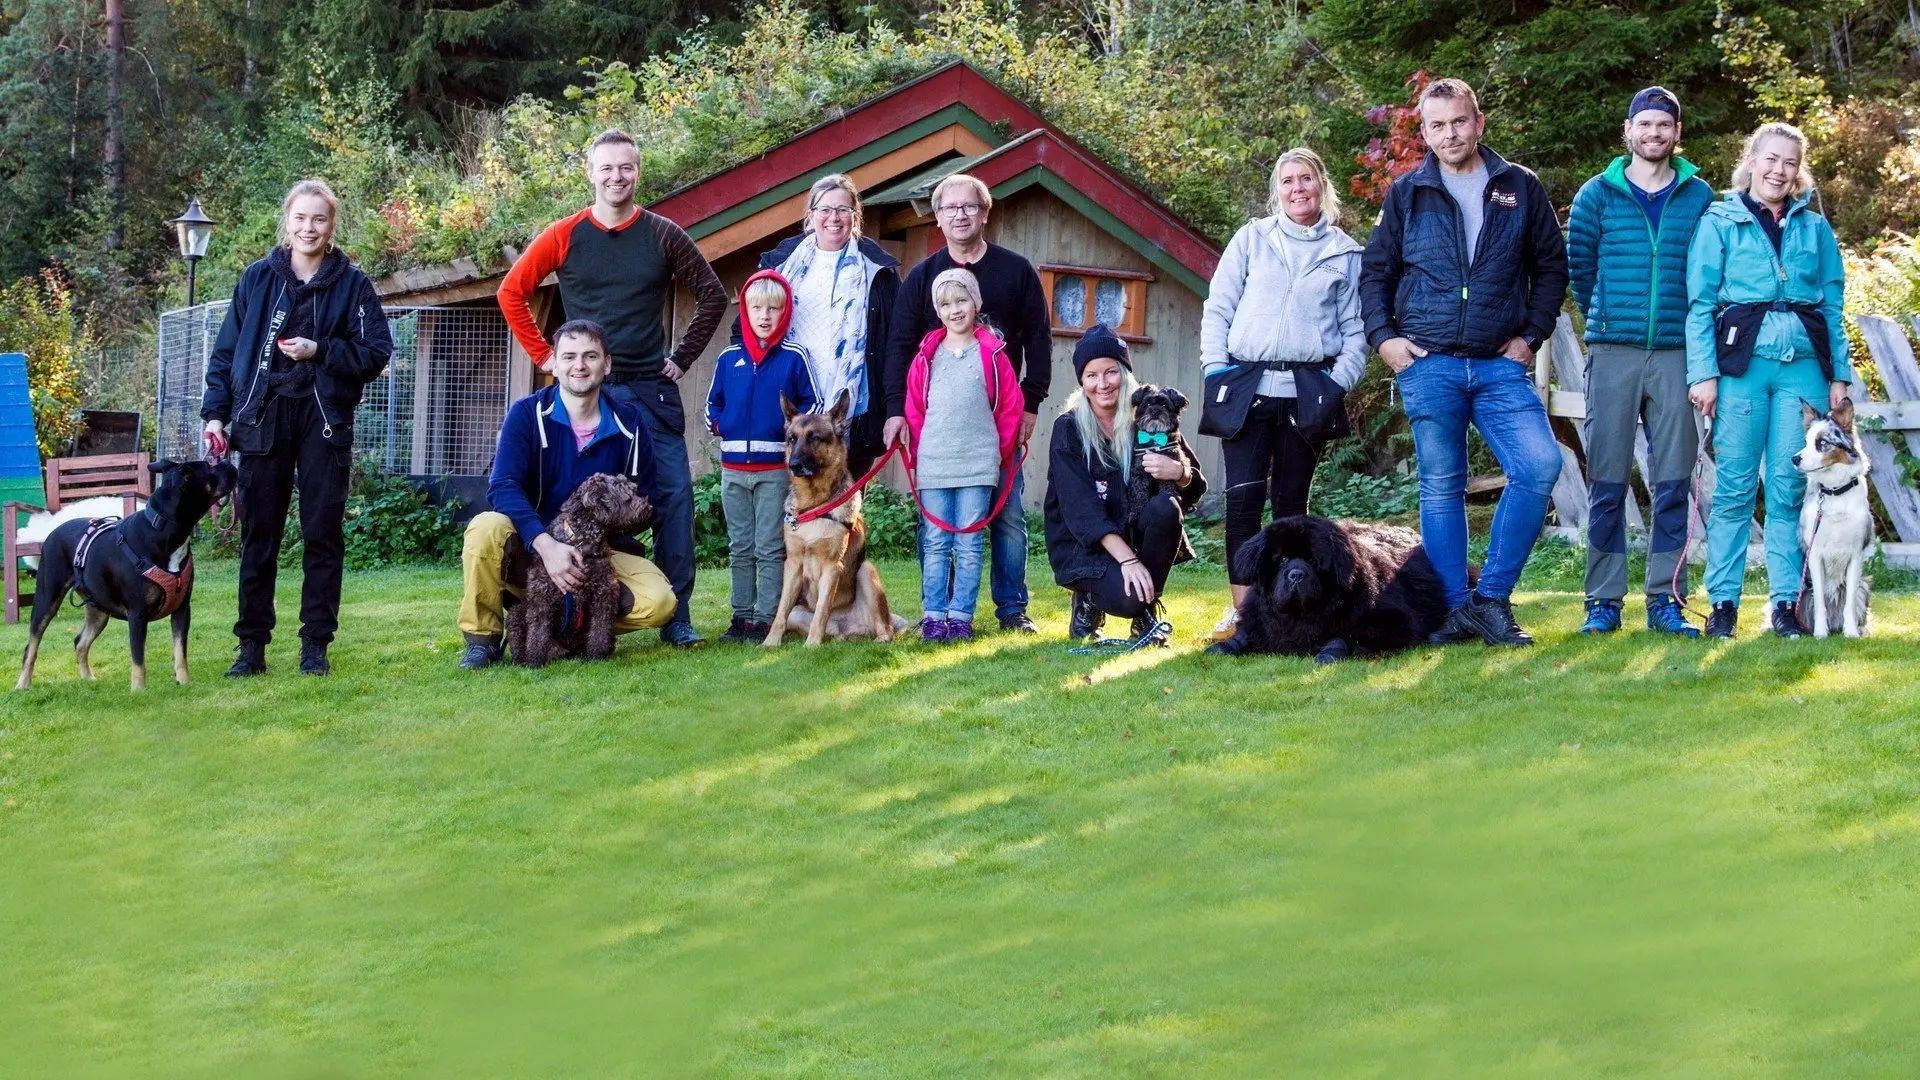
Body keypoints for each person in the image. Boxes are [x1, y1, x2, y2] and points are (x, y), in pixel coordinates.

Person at [1359, 77, 1569, 648]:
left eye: (1458, 122)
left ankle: (1491, 599)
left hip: (1500, 364)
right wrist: (1385, 340)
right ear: (1424, 132)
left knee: (1539, 467)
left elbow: (1551, 267)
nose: (1449, 134)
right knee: (1442, 487)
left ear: (1478, 123)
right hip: (1428, 364)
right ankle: (1454, 610)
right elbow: (1376, 274)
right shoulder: (1407, 193)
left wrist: (1531, 335)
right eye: (1437, 125)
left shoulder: (1519, 187)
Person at [497, 128, 727, 648]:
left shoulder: (664, 234)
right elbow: (512, 292)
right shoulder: (563, 234)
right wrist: (546, 356)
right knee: (572, 498)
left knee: (671, 497)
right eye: (607, 168)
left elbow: (712, 295)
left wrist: (681, 358)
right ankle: (552, 606)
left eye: (625, 168)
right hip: (585, 390)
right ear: (591, 172)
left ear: (637, 173)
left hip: (649, 390)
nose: (616, 177)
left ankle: (678, 617)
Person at [201, 179, 393, 678]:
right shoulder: (256, 279)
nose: (309, 228)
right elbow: (226, 355)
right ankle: (252, 648)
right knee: (259, 537)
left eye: (320, 219)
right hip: (262, 418)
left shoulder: (353, 283)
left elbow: (376, 352)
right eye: (301, 218)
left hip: (323, 420)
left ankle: (315, 646)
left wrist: (321, 350)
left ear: (332, 226)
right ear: (287, 221)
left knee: (322, 535)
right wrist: (215, 414)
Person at [1685, 122, 1853, 640]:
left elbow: (1833, 305)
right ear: (1751, 159)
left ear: (1797, 171)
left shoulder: (1814, 228)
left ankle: (1784, 605)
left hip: (1803, 366)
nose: (1779, 171)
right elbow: (1700, 305)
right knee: (1735, 488)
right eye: (1771, 159)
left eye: (1789, 163)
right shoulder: (1720, 219)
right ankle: (1724, 605)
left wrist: (1839, 376)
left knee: (1785, 490)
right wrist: (1704, 373)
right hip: (1742, 367)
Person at [1199, 146, 1367, 642]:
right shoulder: (1252, 239)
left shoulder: (1344, 253)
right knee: (1243, 500)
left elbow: (1356, 330)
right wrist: (1215, 369)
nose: (1298, 189)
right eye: (1288, 181)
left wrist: (1338, 382)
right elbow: (1218, 306)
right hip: (1245, 385)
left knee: (1292, 504)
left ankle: (1294, 608)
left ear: (1322, 186)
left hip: (1308, 390)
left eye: (1307, 179)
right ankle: (1245, 616)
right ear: (1278, 190)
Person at [1566, 86, 1716, 638]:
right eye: (1644, 125)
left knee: (1673, 481)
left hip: (1679, 352)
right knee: (1606, 480)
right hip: (1614, 351)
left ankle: (1665, 600)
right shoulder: (1596, 196)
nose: (1654, 134)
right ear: (1627, 131)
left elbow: (1711, 275)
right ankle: (1602, 601)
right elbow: (1581, 273)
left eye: (1664, 126)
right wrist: (1609, 322)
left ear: (1677, 134)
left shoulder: (1699, 196)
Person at [882, 173, 1051, 634]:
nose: (960, 214)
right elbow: (900, 345)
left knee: (1007, 517)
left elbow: (1038, 339)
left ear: (984, 212)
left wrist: (1032, 404)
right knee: (937, 526)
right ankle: (938, 614)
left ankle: (1012, 609)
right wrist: (897, 409)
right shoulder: (921, 278)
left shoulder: (1016, 272)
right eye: (949, 208)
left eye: (969, 207)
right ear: (937, 218)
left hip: (999, 417)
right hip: (939, 425)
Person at [456, 319, 676, 668]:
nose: (579, 365)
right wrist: (546, 544)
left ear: (607, 364)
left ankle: (572, 627)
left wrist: (590, 542)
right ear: (553, 365)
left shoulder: (630, 423)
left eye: (590, 356)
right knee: (485, 527)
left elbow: (644, 499)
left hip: (600, 554)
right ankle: (483, 640)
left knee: (660, 602)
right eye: (569, 356)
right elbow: (503, 486)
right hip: (533, 545)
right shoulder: (526, 415)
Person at [1044, 325, 1206, 646]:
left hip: (1134, 537)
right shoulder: (1069, 429)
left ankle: (1146, 612)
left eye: (1110, 372)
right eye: (1091, 375)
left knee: (1165, 508)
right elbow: (1081, 509)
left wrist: (1178, 471)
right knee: (1128, 600)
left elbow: (1195, 487)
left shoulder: (1147, 416)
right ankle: (1088, 601)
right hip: (1086, 546)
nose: (1102, 384)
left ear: (1125, 373)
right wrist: (1129, 561)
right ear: (1082, 381)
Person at [901, 269, 1024, 644]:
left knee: (969, 542)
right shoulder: (926, 356)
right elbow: (915, 411)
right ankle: (934, 615)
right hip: (936, 463)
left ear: (976, 303)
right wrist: (921, 454)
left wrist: (996, 454)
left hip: (977, 463)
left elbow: (1009, 409)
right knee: (936, 540)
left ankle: (960, 617)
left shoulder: (992, 354)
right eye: (946, 303)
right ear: (937, 310)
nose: (955, 309)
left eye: (961, 300)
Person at [754, 174, 899, 477]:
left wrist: (895, 407)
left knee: (841, 513)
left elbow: (896, 344)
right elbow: (747, 328)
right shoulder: (781, 265)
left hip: (849, 411)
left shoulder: (878, 271)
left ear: (855, 216)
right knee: (785, 513)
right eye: (825, 209)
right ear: (810, 215)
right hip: (790, 405)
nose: (834, 218)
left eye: (843, 209)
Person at [705, 270, 818, 644]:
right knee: (740, 545)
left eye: (773, 308)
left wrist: (789, 437)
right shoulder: (728, 358)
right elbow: (713, 404)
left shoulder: (794, 358)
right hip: (733, 469)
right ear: (746, 312)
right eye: (757, 308)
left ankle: (766, 618)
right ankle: (740, 616)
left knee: (770, 545)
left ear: (784, 312)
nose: (765, 315)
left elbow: (812, 406)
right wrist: (722, 425)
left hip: (773, 471)